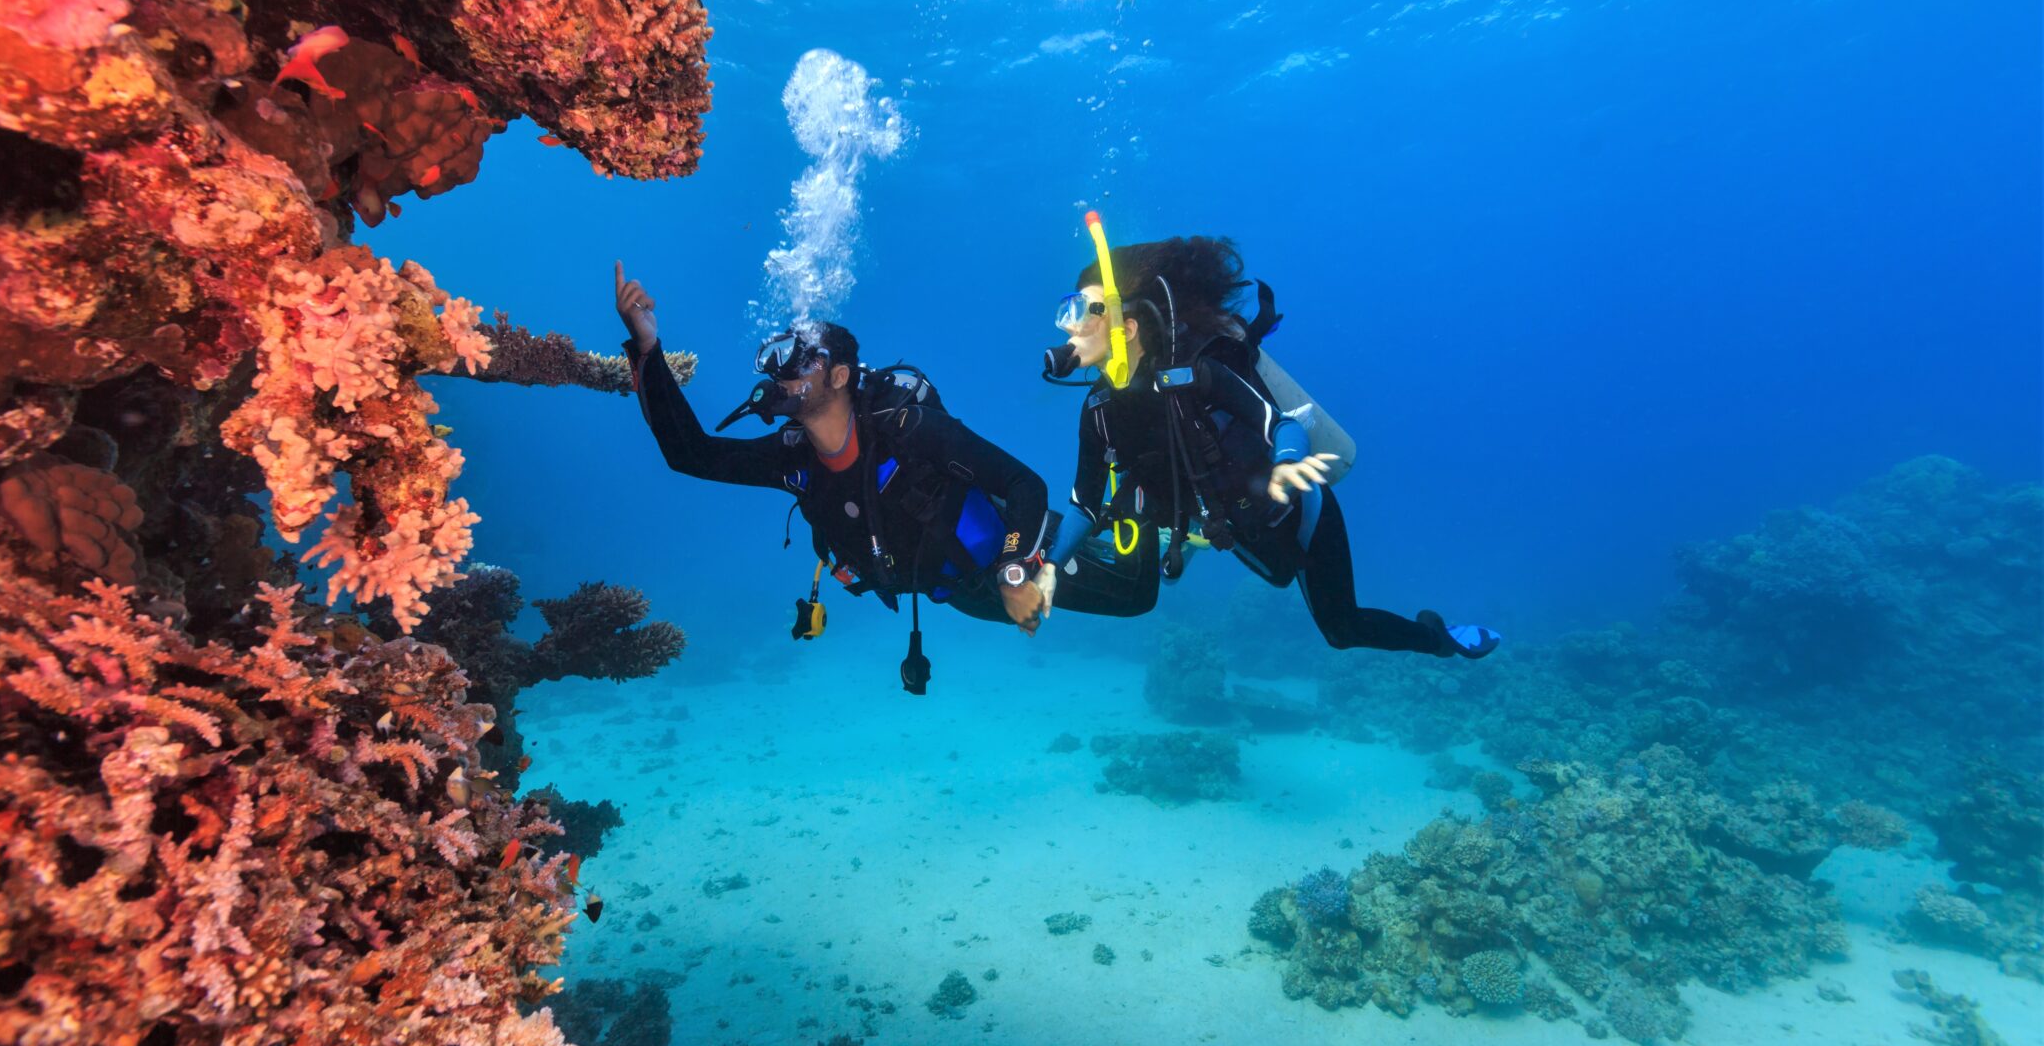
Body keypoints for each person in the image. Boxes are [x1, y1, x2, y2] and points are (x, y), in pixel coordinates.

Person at [612, 263, 1150, 691]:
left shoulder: (908, 429)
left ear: (841, 376)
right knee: (1117, 587)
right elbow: (691, 454)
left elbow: (1024, 484)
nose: (783, 376)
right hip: (958, 590)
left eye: (800, 362)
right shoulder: (793, 458)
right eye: (779, 365)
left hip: (1016, 541)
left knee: (1137, 593)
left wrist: (1015, 573)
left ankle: (1158, 490)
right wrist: (647, 350)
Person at [1036, 223, 1499, 660]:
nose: (1068, 326)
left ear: (1128, 326)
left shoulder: (1195, 377)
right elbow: (1085, 506)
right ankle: (1186, 535)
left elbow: (1282, 426)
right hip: (1235, 527)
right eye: (1066, 311)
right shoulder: (1098, 410)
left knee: (1342, 630)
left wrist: (1288, 463)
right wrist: (1052, 566)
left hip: (1300, 511)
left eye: (1082, 311)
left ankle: (1440, 638)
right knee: (1222, 554)